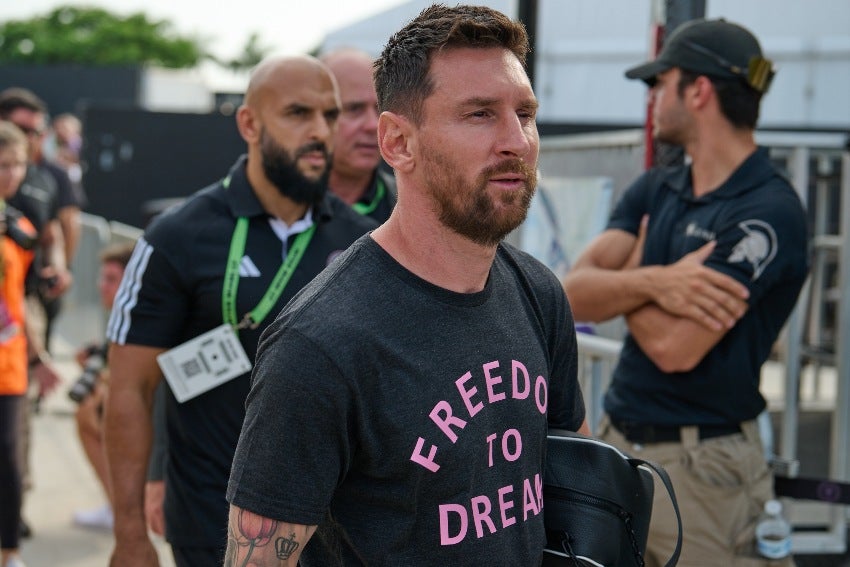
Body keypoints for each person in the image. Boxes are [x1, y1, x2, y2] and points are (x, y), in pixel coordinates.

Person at [225, 5, 589, 566]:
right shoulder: (321, 345)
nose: (516, 141)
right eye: (479, 114)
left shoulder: (538, 294)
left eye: (525, 113)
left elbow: (575, 485)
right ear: (397, 142)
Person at [103, 54, 377, 567]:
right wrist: (130, 533)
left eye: (330, 115)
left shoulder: (366, 242)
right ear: (249, 124)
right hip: (211, 522)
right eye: (298, 113)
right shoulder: (177, 237)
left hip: (335, 532)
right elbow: (129, 391)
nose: (320, 132)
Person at [561, 18, 809, 566]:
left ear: (698, 91)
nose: (651, 97)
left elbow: (675, 348)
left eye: (660, 82)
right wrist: (658, 280)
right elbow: (572, 293)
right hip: (618, 445)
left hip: (704, 471)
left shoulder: (768, 211)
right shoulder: (659, 185)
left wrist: (628, 276)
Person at [0, 121, 60, 567]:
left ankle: (10, 551)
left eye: (17, 164)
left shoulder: (19, 227)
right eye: (2, 165)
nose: (10, 174)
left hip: (10, 364)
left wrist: (39, 357)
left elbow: (18, 299)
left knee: (9, 459)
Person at [70, 241, 136, 531]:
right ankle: (117, 507)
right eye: (102, 278)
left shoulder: (142, 319)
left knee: (91, 411)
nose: (101, 286)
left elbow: (144, 380)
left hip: (161, 422)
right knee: (88, 411)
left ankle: (123, 511)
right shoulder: (121, 317)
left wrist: (105, 381)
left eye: (111, 279)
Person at [320, 48, 397, 223]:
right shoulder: (279, 208)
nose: (373, 125)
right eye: (354, 109)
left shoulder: (415, 209)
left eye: (379, 109)